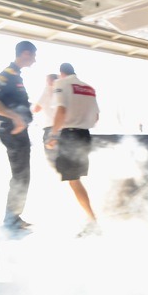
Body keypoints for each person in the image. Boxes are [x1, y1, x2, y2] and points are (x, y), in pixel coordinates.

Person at [0, 41, 37, 233]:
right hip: (12, 131)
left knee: (23, 176)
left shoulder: (16, 76)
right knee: (20, 176)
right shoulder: (8, 74)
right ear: (25, 53)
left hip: (19, 132)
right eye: (33, 56)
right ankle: (11, 220)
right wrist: (14, 116)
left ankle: (14, 217)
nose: (35, 60)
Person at [46, 63, 100, 237]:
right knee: (75, 179)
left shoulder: (61, 84)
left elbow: (61, 111)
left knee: (73, 180)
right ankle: (90, 219)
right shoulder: (89, 88)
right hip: (85, 135)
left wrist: (53, 135)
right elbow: (96, 116)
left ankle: (92, 221)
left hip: (70, 136)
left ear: (61, 73)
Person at [32, 73, 59, 167]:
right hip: (63, 128)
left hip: (50, 128)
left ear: (50, 81)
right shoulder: (63, 91)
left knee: (52, 159)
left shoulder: (47, 90)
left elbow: (36, 109)